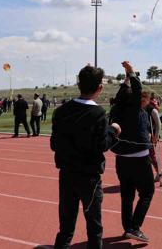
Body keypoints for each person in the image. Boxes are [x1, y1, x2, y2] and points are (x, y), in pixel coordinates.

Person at [51, 65, 121, 249]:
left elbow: (54, 144)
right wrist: (113, 131)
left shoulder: (61, 111)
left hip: (66, 175)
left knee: (65, 228)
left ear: (78, 85)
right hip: (89, 178)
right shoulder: (97, 113)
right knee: (94, 228)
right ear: (100, 88)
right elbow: (102, 145)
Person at [109, 61, 154, 243]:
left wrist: (127, 77)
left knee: (127, 196)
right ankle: (135, 227)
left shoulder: (117, 107)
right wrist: (132, 73)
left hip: (121, 160)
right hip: (139, 160)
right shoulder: (134, 107)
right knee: (147, 193)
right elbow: (137, 90)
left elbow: (123, 93)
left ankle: (128, 228)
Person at [143, 92, 162, 182]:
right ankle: (158, 171)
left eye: (144, 100)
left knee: (151, 155)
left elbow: (158, 124)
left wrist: (156, 135)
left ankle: (159, 171)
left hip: (151, 135)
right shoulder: (139, 108)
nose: (142, 102)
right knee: (146, 155)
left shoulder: (151, 110)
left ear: (148, 100)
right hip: (142, 135)